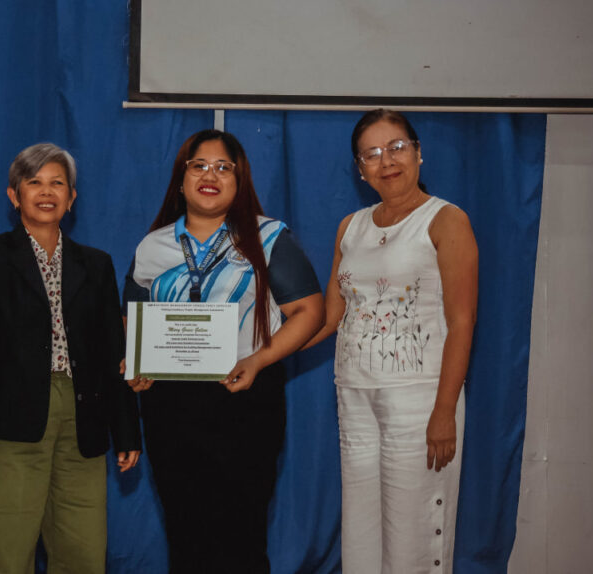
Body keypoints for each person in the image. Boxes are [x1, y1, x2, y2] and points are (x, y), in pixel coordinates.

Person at [123, 129, 324, 573]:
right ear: (181, 181)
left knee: (240, 535)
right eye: (198, 166)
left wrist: (258, 360)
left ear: (239, 181)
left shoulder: (268, 237)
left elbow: (310, 311)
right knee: (185, 532)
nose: (209, 175)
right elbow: (131, 318)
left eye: (223, 167)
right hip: (170, 406)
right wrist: (136, 362)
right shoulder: (153, 245)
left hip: (245, 398)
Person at [0, 143, 142, 574]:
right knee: (7, 547)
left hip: (85, 417)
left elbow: (113, 352)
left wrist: (127, 430)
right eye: (34, 182)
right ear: (13, 195)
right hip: (10, 420)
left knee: (83, 549)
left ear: (71, 198)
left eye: (57, 183)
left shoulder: (96, 264)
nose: (46, 191)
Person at [304, 109, 478, 572]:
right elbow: (329, 317)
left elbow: (462, 322)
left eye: (397, 147)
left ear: (419, 153)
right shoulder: (351, 226)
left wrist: (444, 411)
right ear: (360, 170)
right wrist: (261, 351)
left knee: (411, 536)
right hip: (354, 396)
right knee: (362, 534)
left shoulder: (446, 220)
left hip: (420, 399)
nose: (387, 161)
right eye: (372, 153)